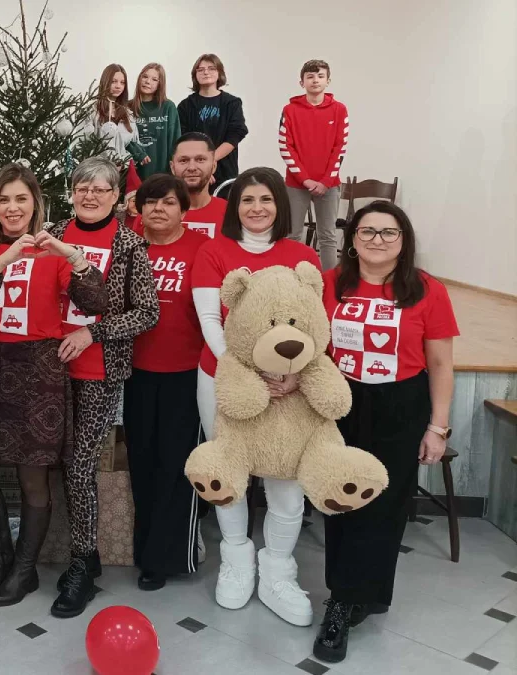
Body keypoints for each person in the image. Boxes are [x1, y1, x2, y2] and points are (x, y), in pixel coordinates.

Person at [0, 163, 106, 609]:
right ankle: (0, 560)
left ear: (36, 204)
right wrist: (3, 259)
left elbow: (96, 301)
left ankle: (24, 570)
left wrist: (73, 255)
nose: (12, 207)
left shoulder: (55, 254)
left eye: (21, 199)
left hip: (40, 372)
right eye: (4, 199)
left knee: (32, 478)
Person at [313, 202, 457, 663]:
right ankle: (342, 594)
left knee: (384, 504)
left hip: (400, 405)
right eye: (367, 231)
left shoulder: (427, 290)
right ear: (352, 238)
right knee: (338, 499)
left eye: (388, 232)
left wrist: (437, 427)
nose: (377, 239)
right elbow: (315, 347)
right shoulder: (331, 284)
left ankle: (354, 597)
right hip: (342, 403)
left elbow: (439, 363)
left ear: (404, 240)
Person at [192, 167, 321, 626]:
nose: (257, 208)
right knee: (232, 473)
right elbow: (209, 318)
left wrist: (292, 375)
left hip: (290, 383)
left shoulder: (302, 255)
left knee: (286, 481)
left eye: (266, 199)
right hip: (224, 378)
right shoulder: (213, 251)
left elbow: (312, 323)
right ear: (235, 206)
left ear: (280, 206)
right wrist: (246, 372)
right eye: (248, 200)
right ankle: (236, 560)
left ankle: (278, 572)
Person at [47, 157, 159, 617]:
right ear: (71, 193)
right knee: (53, 462)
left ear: (116, 196)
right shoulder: (53, 233)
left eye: (101, 189)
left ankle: (83, 562)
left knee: (78, 466)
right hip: (47, 370)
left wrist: (92, 332)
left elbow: (147, 312)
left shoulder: (130, 244)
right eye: (82, 188)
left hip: (97, 371)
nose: (90, 196)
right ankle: (64, 553)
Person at [125, 174, 208, 591]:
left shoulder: (201, 249)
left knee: (177, 467)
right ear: (138, 207)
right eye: (151, 202)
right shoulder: (128, 246)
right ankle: (145, 551)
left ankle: (170, 556)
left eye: (169, 202)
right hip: (134, 373)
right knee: (143, 464)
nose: (159, 209)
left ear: (183, 209)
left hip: (185, 375)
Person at [280, 59, 350, 271]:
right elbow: (285, 146)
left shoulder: (339, 110)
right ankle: (288, 280)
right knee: (292, 234)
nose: (315, 80)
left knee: (327, 235)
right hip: (296, 184)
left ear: (328, 81)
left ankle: (329, 281)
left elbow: (340, 148)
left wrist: (326, 181)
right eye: (310, 77)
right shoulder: (290, 110)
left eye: (320, 76)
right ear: (302, 82)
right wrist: (305, 179)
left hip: (328, 185)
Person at [129, 133, 228, 239]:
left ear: (213, 166)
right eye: (183, 160)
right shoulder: (152, 214)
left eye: (200, 159)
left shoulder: (230, 213)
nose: (191, 167)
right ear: (172, 167)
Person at [177, 54, 248, 188]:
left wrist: (209, 161)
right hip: (194, 171)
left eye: (211, 68)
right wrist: (200, 166)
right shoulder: (185, 106)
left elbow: (235, 134)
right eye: (200, 69)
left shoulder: (232, 103)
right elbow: (184, 139)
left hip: (225, 171)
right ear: (195, 75)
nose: (205, 72)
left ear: (219, 73)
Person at [93, 64, 150, 194]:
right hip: (99, 172)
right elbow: (84, 142)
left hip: (124, 172)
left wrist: (138, 154)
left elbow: (131, 141)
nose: (118, 86)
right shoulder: (93, 110)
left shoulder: (128, 114)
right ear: (105, 81)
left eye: (122, 82)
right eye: (114, 81)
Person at [131, 63, 180, 181]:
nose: (148, 81)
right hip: (133, 175)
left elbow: (176, 141)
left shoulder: (168, 107)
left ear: (160, 84)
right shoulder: (127, 107)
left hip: (162, 175)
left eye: (154, 79)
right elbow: (124, 141)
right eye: (145, 77)